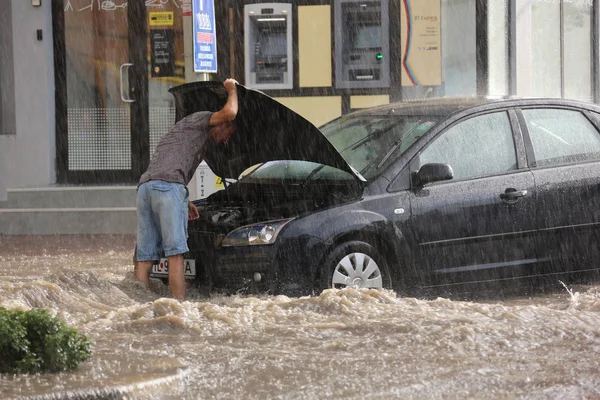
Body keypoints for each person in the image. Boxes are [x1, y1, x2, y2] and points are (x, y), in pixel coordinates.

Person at [134, 78, 239, 301]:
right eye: (228, 134)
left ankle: (137, 306)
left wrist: (185, 200)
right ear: (219, 124)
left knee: (144, 257)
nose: (226, 140)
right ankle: (179, 309)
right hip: (167, 189)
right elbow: (230, 111)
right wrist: (232, 89)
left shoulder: (184, 132)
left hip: (145, 189)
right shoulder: (202, 119)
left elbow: (167, 168)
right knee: (176, 254)